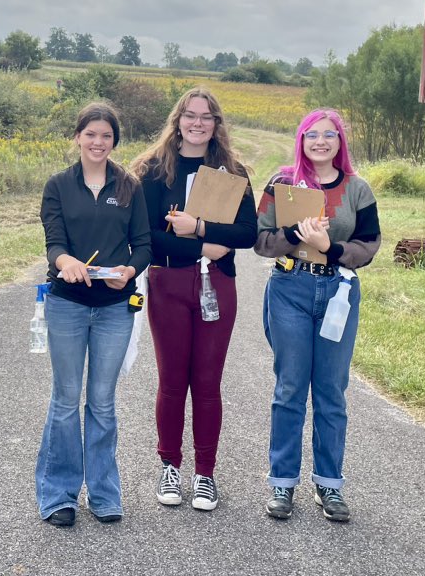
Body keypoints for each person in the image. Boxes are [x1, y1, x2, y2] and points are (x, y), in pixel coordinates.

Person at [129, 88, 257, 511]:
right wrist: (203, 246)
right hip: (168, 282)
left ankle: (205, 473)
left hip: (217, 285)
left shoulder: (232, 170)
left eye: (206, 117)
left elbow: (246, 233)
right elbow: (146, 235)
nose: (198, 123)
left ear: (217, 123)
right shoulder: (151, 170)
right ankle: (169, 465)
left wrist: (199, 227)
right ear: (177, 119)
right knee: (171, 381)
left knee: (207, 383)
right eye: (190, 115)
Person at [254, 108, 380, 522]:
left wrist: (329, 247)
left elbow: (369, 245)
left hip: (338, 291)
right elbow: (259, 240)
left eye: (329, 135)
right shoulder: (282, 183)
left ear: (340, 142)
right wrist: (295, 235)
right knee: (290, 387)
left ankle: (330, 485)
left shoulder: (358, 189)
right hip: (291, 288)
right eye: (312, 135)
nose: (320, 142)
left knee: (330, 391)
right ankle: (282, 485)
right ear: (301, 140)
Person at [36, 102, 151, 527]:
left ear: (114, 141)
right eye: (91, 134)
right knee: (66, 400)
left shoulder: (130, 186)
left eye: (106, 136)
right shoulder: (58, 185)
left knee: (102, 402)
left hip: (115, 308)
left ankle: (104, 493)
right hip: (67, 304)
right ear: (78, 137)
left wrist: (130, 270)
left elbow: (143, 244)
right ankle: (58, 495)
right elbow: (53, 242)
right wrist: (65, 261)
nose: (98, 142)